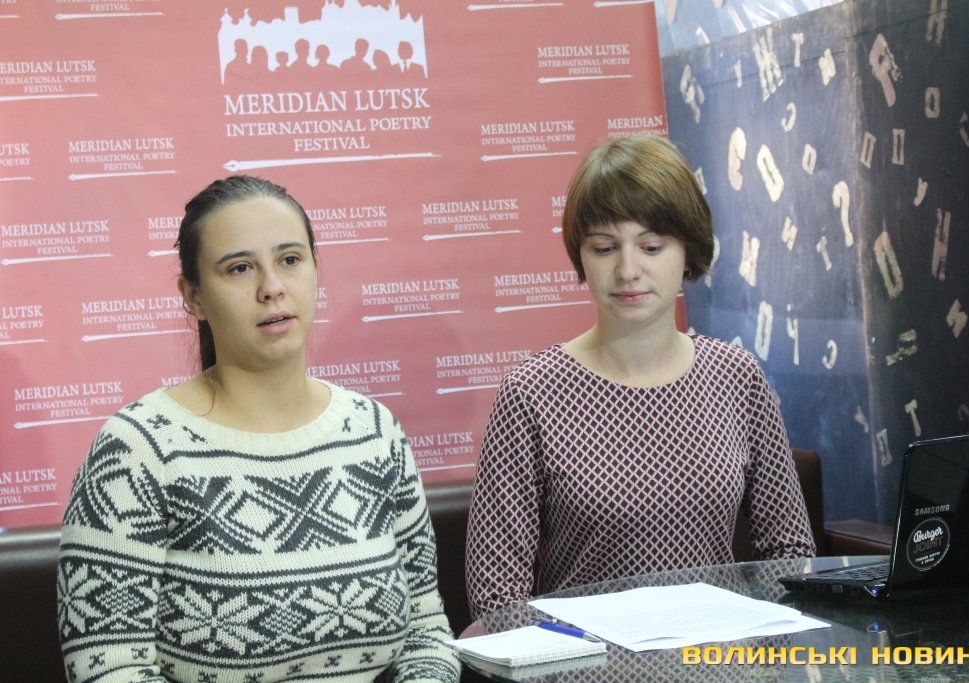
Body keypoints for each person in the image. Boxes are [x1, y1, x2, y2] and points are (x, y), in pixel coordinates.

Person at [56, 175, 460, 682]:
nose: (272, 287)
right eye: (240, 268)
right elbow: (109, 669)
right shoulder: (137, 450)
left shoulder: (375, 432)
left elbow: (426, 631)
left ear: (315, 269)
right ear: (193, 296)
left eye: (290, 259)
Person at [465, 135, 816, 618]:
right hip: (582, 656)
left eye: (651, 246)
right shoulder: (532, 392)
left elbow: (789, 552)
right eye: (604, 248)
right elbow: (496, 593)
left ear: (687, 249)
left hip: (719, 650)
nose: (628, 270)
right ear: (581, 257)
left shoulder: (736, 376)